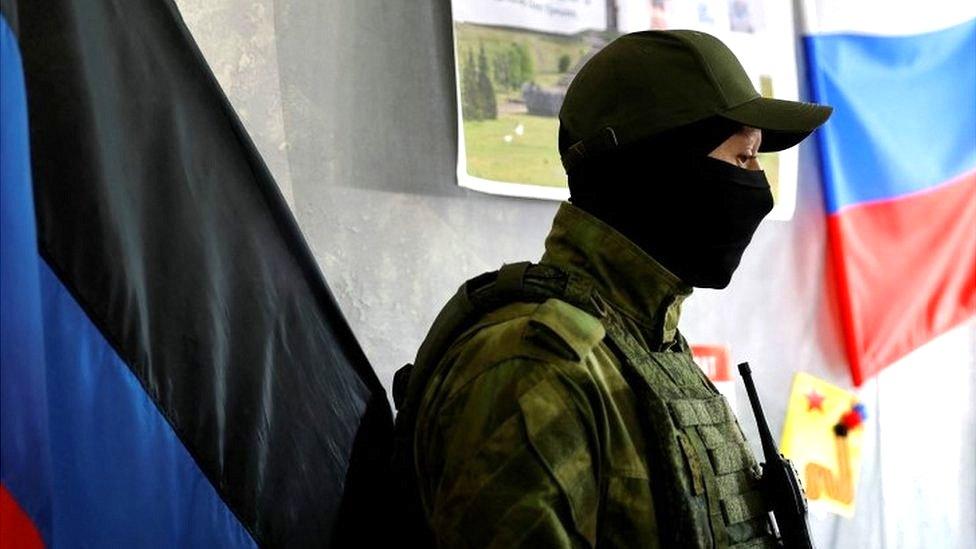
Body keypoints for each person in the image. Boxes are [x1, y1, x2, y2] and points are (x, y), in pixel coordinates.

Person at [392, 30, 832, 548]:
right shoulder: (534, 367)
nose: (758, 184)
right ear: (663, 170)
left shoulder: (645, 341)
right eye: (743, 158)